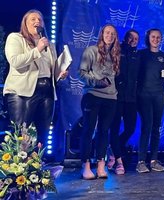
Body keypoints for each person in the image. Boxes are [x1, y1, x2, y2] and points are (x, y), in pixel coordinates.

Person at [4, 9, 68, 144]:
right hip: (22, 91)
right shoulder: (16, 38)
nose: (37, 21)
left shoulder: (48, 44)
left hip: (47, 91)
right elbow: (15, 61)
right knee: (22, 132)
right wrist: (37, 49)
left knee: (43, 132)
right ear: (25, 23)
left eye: (40, 19)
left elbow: (51, 69)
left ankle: (38, 161)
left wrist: (60, 73)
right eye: (33, 19)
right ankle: (20, 164)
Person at [79, 24, 120, 180]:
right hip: (92, 95)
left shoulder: (116, 54)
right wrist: (96, 82)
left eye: (113, 34)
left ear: (115, 37)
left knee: (104, 131)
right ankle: (86, 165)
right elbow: (81, 73)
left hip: (110, 98)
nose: (109, 36)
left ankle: (101, 165)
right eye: (107, 32)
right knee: (88, 130)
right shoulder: (91, 51)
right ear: (102, 34)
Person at [107, 29, 140, 175]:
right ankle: (118, 161)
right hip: (116, 97)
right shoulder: (116, 52)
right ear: (125, 38)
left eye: (136, 39)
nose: (133, 40)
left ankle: (114, 149)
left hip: (132, 99)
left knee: (130, 128)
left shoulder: (138, 55)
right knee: (114, 129)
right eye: (131, 37)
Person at [136, 29, 164, 173]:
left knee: (156, 128)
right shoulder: (141, 54)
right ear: (148, 38)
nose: (155, 39)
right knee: (146, 126)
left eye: (158, 37)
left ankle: (154, 160)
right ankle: (141, 161)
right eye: (153, 37)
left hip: (159, 95)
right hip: (144, 95)